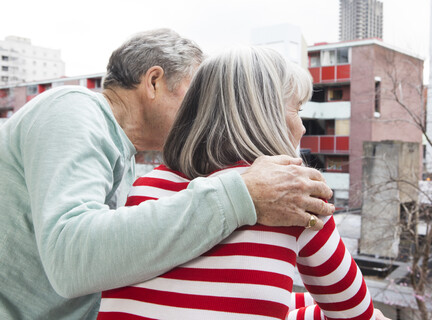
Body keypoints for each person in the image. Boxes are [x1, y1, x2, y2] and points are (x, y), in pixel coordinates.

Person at [0, 29, 335, 319]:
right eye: (197, 95)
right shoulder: (73, 110)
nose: (206, 112)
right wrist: (241, 194)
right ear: (154, 82)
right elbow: (71, 260)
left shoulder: (121, 154)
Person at [97, 46, 381, 320]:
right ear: (267, 116)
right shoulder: (294, 197)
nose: (303, 127)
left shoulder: (148, 185)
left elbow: (202, 294)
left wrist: (302, 303)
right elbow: (354, 313)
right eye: (298, 110)